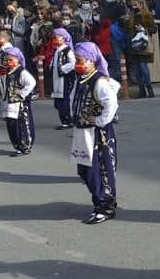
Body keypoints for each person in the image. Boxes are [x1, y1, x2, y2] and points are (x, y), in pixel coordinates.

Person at [70, 42, 120, 224]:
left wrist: (99, 121)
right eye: (76, 60)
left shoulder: (99, 81)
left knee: (99, 170)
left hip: (98, 134)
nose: (77, 63)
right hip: (82, 131)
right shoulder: (81, 78)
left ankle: (105, 206)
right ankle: (98, 200)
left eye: (80, 60)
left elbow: (111, 104)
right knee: (84, 169)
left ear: (91, 61)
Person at [0, 46, 36, 157]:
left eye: (11, 60)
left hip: (19, 104)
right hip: (9, 103)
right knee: (11, 125)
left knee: (22, 125)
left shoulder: (22, 72)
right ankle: (17, 145)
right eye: (7, 60)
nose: (8, 62)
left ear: (18, 60)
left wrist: (21, 93)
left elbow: (31, 82)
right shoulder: (7, 72)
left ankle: (25, 145)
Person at [50, 28, 77, 128]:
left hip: (64, 79)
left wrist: (62, 69)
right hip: (56, 79)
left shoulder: (67, 50)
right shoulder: (57, 50)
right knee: (58, 102)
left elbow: (73, 63)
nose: (56, 38)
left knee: (64, 100)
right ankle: (64, 119)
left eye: (58, 36)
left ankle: (67, 120)